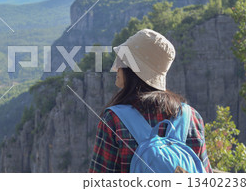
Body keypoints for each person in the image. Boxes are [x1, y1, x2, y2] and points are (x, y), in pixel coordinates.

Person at [88, 29, 212, 173]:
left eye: (121, 60)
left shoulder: (114, 120)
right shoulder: (190, 116)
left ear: (133, 69)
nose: (115, 67)